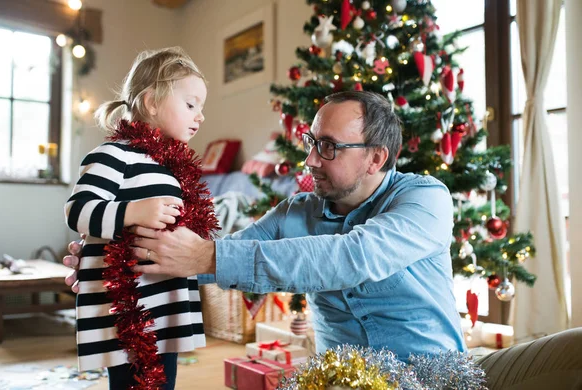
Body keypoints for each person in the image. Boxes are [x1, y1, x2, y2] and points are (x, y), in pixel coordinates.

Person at [66, 90, 467, 361]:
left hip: (432, 375)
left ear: (376, 159)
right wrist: (112, 262)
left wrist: (207, 255)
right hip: (343, 380)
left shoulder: (425, 199)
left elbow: (351, 257)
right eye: (311, 142)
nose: (310, 161)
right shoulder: (297, 212)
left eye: (328, 147)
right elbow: (208, 256)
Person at [64, 47, 210, 390]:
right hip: (130, 309)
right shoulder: (114, 154)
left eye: (202, 107)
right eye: (191, 105)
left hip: (167, 301)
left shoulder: (174, 168)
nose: (200, 116)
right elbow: (79, 209)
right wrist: (133, 212)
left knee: (164, 382)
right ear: (152, 102)